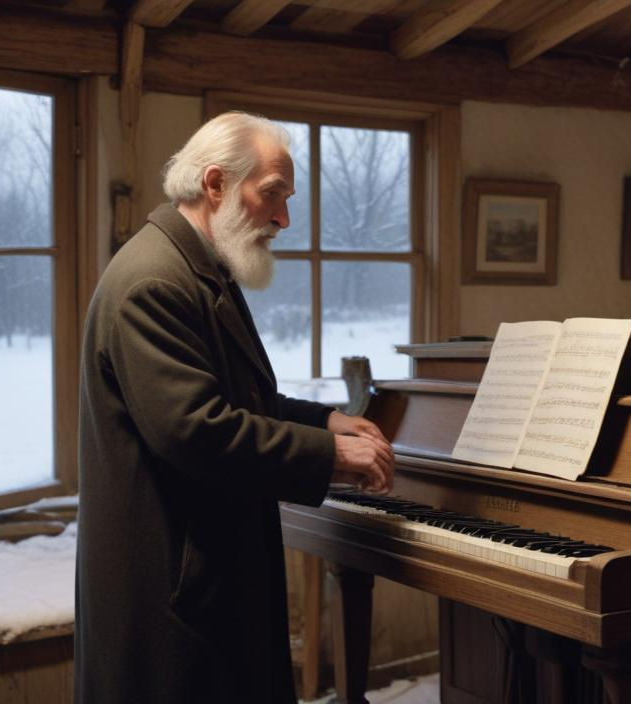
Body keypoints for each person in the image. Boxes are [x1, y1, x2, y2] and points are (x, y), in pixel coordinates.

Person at [75, 111, 395, 703]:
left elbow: (239, 398)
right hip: (172, 592)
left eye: (287, 199)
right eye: (272, 196)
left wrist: (324, 418)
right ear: (216, 184)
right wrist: (330, 455)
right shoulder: (155, 282)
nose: (283, 219)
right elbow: (194, 430)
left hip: (203, 573)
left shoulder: (199, 266)